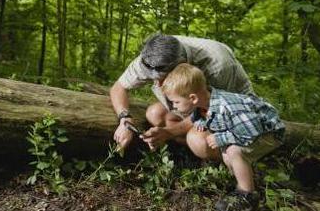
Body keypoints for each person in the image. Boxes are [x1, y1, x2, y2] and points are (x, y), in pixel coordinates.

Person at [161, 63, 285, 211]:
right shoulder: (201, 106)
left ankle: (247, 195)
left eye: (176, 102)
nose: (174, 106)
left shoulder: (227, 106)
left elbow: (252, 131)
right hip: (247, 130)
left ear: (193, 98)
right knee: (227, 154)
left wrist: (221, 138)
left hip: (269, 133)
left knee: (233, 151)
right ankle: (245, 183)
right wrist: (201, 123)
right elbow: (203, 117)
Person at [110, 33, 254, 150]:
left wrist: (169, 132)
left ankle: (232, 159)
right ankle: (189, 152)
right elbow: (119, 87)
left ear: (182, 64)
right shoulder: (153, 55)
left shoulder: (217, 65)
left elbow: (213, 111)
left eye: (164, 79)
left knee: (198, 141)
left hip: (233, 114)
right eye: (153, 80)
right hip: (194, 107)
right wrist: (125, 118)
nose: (159, 85)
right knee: (155, 114)